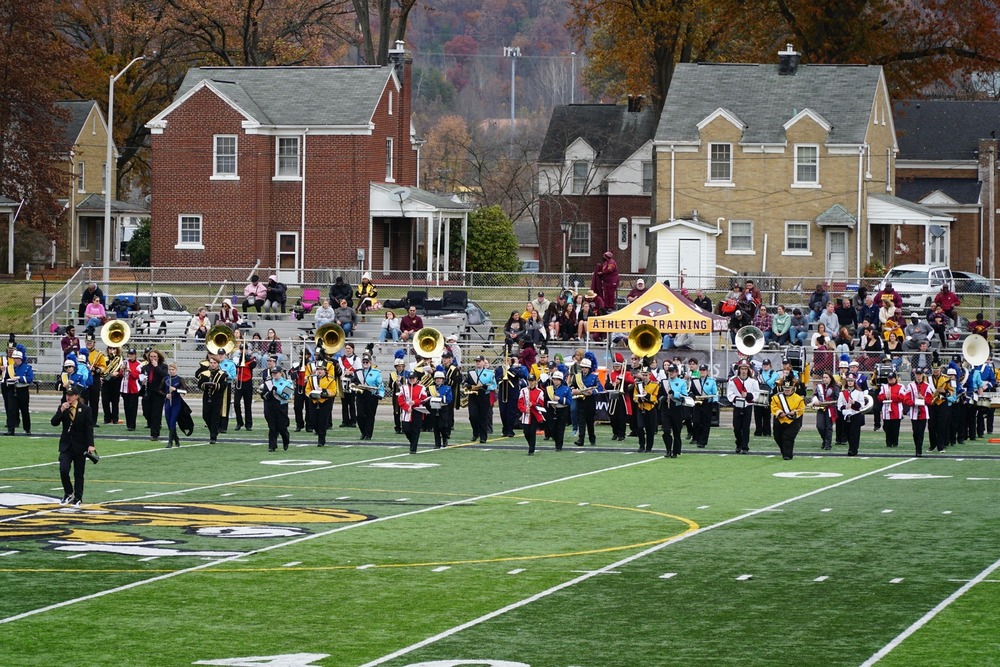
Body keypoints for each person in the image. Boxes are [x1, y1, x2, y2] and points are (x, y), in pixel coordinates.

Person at [51, 383, 96, 507]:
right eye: (67, 395)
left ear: (76, 396)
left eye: (71, 395)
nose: (68, 397)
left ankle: (78, 497)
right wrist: (61, 411)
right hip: (66, 445)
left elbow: (88, 428)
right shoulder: (63, 407)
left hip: (80, 446)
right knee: (63, 470)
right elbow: (54, 423)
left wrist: (90, 444)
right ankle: (68, 492)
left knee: (78, 473)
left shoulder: (85, 409)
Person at [570, 355, 603, 447]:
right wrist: (574, 390)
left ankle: (592, 439)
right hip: (580, 400)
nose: (584, 369)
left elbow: (600, 388)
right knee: (581, 421)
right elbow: (572, 386)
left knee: (589, 421)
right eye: (583, 367)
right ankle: (581, 440)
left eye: (586, 367)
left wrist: (592, 392)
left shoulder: (593, 377)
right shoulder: (577, 377)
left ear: (589, 368)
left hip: (590, 401)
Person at [771, 377, 806, 460]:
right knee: (777, 437)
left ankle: (787, 455)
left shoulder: (799, 399)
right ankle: (785, 451)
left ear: (793, 388)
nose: (787, 390)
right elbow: (773, 406)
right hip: (780, 420)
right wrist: (779, 412)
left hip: (792, 421)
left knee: (788, 437)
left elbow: (801, 409)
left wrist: (794, 412)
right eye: (785, 388)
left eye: (789, 388)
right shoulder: (776, 398)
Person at [728, 362, 760, 454]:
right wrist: (736, 399)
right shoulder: (733, 381)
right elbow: (730, 394)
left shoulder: (753, 381)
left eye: (745, 369)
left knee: (746, 427)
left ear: (748, 370)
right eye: (742, 369)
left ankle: (745, 446)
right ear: (739, 370)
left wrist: (747, 395)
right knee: (736, 427)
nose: (744, 371)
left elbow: (756, 394)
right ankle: (738, 443)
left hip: (748, 406)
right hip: (737, 406)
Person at [261, 365, 294, 451]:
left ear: (280, 373)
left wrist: (278, 391)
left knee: (282, 427)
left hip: (281, 406)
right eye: (273, 373)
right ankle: (272, 446)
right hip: (270, 406)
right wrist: (268, 393)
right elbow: (263, 395)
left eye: (276, 373)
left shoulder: (287, 383)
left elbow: (287, 396)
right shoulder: (268, 382)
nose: (274, 375)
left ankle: (286, 440)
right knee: (272, 427)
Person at [197, 357, 229, 444]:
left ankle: (213, 437)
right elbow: (199, 385)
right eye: (211, 363)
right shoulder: (205, 373)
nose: (213, 364)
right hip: (207, 397)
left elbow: (223, 386)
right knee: (205, 415)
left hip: (217, 398)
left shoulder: (222, 374)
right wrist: (206, 385)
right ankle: (214, 430)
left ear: (218, 364)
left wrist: (214, 386)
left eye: (214, 363)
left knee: (214, 417)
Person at [465, 355, 497, 443]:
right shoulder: (471, 372)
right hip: (473, 395)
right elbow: (466, 382)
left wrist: (487, 387)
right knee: (473, 416)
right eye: (476, 361)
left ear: (483, 362)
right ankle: (476, 432)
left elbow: (494, 385)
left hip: (484, 396)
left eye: (479, 361)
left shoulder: (490, 373)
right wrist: (467, 385)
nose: (478, 362)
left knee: (483, 417)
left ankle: (483, 436)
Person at [352, 353, 384, 441]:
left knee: (370, 416)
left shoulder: (376, 372)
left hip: (371, 395)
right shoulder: (357, 372)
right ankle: (363, 432)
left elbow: (380, 385)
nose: (365, 363)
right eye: (364, 361)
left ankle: (368, 434)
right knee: (360, 415)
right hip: (360, 395)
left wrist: (380, 394)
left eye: (367, 361)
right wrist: (354, 385)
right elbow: (353, 382)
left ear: (370, 362)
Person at [659, 364, 687, 458]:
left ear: (677, 372)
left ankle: (675, 451)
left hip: (676, 408)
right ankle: (668, 450)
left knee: (676, 431)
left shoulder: (682, 382)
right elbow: (659, 394)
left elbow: (684, 395)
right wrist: (662, 398)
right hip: (666, 408)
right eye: (669, 371)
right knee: (666, 430)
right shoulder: (664, 382)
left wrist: (675, 394)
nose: (671, 373)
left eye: (673, 371)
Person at [306, 362, 337, 446]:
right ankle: (318, 432)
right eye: (318, 369)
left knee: (322, 422)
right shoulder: (311, 379)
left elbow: (333, 391)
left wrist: (323, 391)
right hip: (314, 401)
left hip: (325, 402)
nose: (319, 371)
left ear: (325, 371)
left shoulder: (330, 380)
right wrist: (311, 394)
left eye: (321, 369)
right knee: (313, 421)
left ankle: (321, 440)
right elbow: (307, 389)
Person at [496, 354, 527, 438]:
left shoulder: (516, 369)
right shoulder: (499, 369)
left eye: (508, 360)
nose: (506, 362)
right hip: (503, 393)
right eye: (505, 360)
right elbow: (497, 379)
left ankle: (510, 430)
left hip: (513, 393)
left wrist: (509, 369)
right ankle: (505, 429)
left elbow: (521, 375)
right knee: (503, 412)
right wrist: (503, 376)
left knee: (511, 412)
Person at [398, 370, 429, 453]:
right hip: (407, 411)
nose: (412, 380)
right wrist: (406, 407)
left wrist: (415, 402)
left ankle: (413, 448)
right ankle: (413, 442)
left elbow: (424, 399)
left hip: (417, 410)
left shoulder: (421, 387)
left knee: (416, 430)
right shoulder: (403, 388)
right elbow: (400, 400)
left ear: (416, 379)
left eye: (413, 378)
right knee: (406, 429)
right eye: (410, 378)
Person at [906, 366, 933, 457]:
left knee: (921, 432)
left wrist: (923, 399)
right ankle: (916, 447)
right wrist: (913, 402)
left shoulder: (927, 386)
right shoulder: (910, 385)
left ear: (922, 375)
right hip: (914, 412)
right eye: (917, 374)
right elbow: (906, 399)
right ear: (915, 375)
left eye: (920, 374)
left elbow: (930, 400)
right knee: (915, 432)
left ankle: (919, 450)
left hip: (923, 413)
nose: (918, 376)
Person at [605, 353, 634, 441]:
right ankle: (615, 433)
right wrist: (613, 384)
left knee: (622, 417)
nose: (616, 367)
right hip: (613, 396)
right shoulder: (610, 375)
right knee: (612, 416)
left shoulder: (626, 373)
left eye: (618, 365)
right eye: (615, 365)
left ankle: (622, 434)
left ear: (621, 366)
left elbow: (632, 381)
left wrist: (623, 378)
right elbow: (606, 386)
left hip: (623, 397)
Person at [838, 372, 868, 456]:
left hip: (856, 415)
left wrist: (854, 402)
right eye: (848, 381)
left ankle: (853, 449)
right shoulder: (842, 393)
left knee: (854, 433)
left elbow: (861, 406)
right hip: (846, 415)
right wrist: (845, 407)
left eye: (852, 381)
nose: (850, 382)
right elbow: (839, 405)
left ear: (854, 382)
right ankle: (851, 447)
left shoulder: (859, 393)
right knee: (847, 433)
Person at [517, 373, 547, 455]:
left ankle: (531, 449)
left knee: (532, 431)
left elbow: (541, 403)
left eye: (532, 381)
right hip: (526, 414)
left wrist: (533, 404)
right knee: (526, 432)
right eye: (529, 381)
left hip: (535, 414)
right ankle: (531, 445)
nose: (531, 382)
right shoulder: (523, 391)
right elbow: (520, 403)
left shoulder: (540, 392)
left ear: (535, 381)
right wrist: (524, 409)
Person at [810, 371, 839, 451]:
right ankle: (824, 440)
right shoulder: (820, 386)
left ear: (830, 379)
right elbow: (815, 395)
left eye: (827, 377)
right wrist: (816, 400)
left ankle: (828, 444)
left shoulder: (835, 387)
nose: (825, 379)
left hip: (830, 409)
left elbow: (837, 399)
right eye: (824, 377)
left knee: (828, 427)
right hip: (821, 409)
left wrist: (829, 402)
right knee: (820, 426)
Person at [6, 350, 33, 435]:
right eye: (14, 358)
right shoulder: (10, 368)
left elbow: (30, 379)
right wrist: (9, 381)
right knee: (11, 410)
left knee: (25, 411)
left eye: (17, 358)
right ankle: (11, 429)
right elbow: (5, 379)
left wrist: (19, 378)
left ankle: (27, 429)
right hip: (12, 390)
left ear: (21, 359)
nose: (15, 360)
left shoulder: (27, 368)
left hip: (23, 391)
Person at [877, 370, 907, 448]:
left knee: (895, 428)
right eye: (889, 378)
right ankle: (888, 442)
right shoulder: (884, 386)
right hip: (886, 410)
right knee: (887, 427)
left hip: (896, 410)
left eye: (892, 378)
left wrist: (892, 396)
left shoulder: (901, 386)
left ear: (895, 379)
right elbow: (879, 397)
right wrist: (885, 396)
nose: (890, 380)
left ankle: (895, 442)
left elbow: (902, 397)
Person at [232, 341, 256, 432]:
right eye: (241, 349)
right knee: (236, 403)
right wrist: (240, 359)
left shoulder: (251, 359)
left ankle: (248, 424)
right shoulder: (236, 359)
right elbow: (235, 366)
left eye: (244, 349)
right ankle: (239, 422)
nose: (243, 351)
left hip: (248, 383)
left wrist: (246, 358)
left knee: (247, 405)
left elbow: (253, 365)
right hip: (239, 382)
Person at [427, 368, 454, 448]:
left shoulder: (447, 388)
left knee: (442, 426)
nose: (438, 380)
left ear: (443, 380)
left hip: (443, 408)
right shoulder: (431, 388)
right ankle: (437, 443)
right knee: (435, 426)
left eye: (440, 378)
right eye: (437, 379)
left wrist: (440, 396)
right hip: (434, 408)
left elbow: (449, 399)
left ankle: (445, 437)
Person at [162, 362, 188, 448]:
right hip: (168, 402)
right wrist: (166, 395)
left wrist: (175, 389)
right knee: (168, 422)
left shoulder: (179, 379)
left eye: (173, 370)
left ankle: (170, 442)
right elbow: (159, 390)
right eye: (169, 370)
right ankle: (176, 439)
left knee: (173, 421)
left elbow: (185, 391)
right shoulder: (165, 378)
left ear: (176, 370)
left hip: (176, 402)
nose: (171, 371)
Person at [338, 342, 360, 427]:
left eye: (349, 348)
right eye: (346, 348)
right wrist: (343, 373)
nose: (348, 350)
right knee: (344, 403)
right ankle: (345, 420)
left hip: (352, 382)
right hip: (343, 382)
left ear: (353, 349)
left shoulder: (356, 359)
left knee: (351, 402)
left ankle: (353, 421)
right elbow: (340, 369)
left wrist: (351, 372)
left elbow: (359, 370)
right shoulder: (341, 359)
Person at [754, 359, 778, 437]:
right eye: (764, 364)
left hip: (768, 395)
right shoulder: (758, 373)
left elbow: (771, 382)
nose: (765, 366)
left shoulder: (773, 373)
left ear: (770, 365)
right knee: (757, 414)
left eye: (767, 364)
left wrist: (763, 380)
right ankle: (758, 431)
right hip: (759, 395)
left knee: (767, 415)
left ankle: (767, 432)